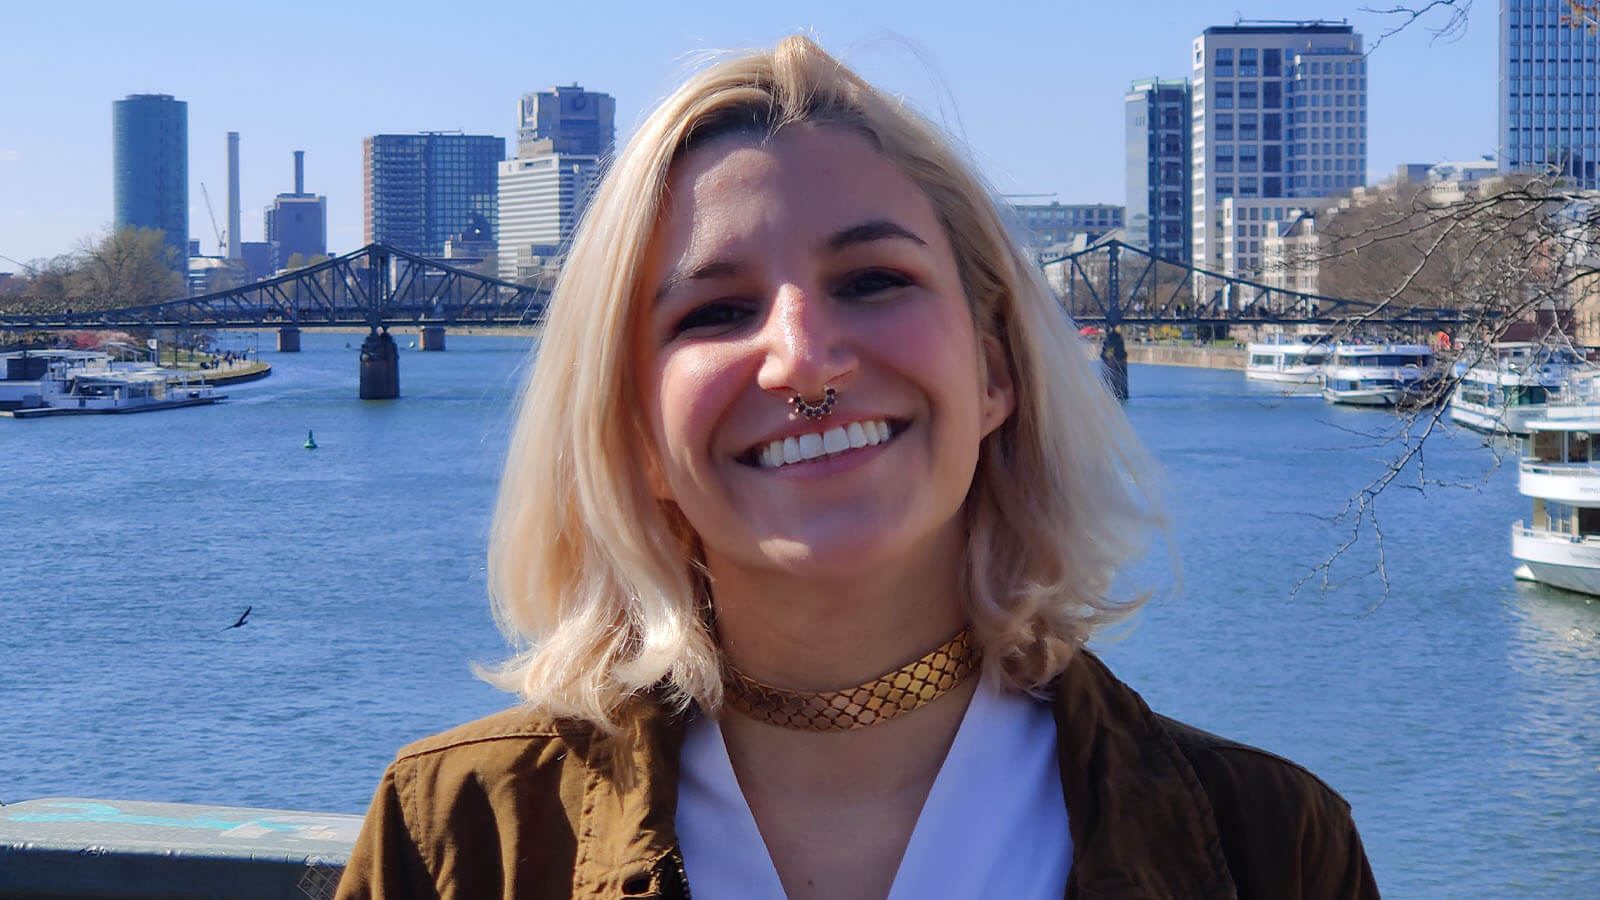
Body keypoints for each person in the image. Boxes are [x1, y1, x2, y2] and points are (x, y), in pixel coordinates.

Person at [337, 36, 1378, 900]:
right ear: (635, 437)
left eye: (873, 280)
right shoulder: (457, 840)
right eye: (713, 312)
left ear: (996, 373)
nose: (803, 360)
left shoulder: (1272, 849)